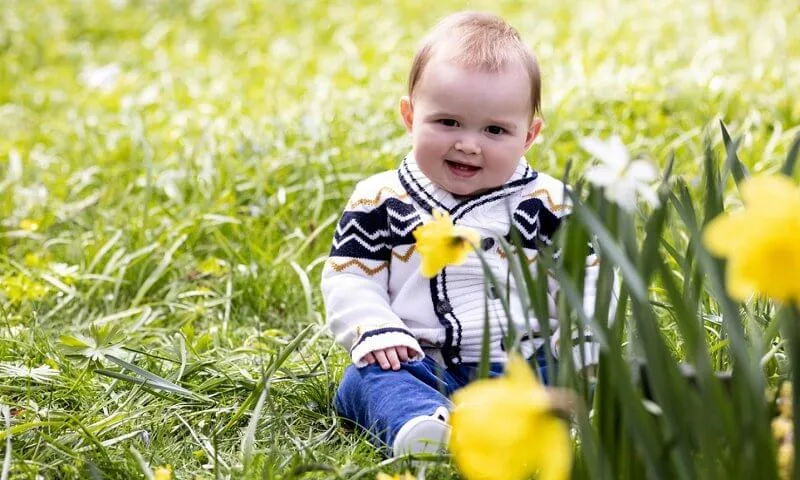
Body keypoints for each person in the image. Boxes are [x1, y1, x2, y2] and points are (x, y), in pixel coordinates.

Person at [321, 11, 600, 458]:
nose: (468, 143)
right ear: (410, 117)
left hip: (524, 360)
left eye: (494, 130)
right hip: (419, 359)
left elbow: (586, 277)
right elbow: (349, 277)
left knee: (564, 377)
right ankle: (423, 424)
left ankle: (530, 423)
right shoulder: (380, 198)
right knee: (364, 379)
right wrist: (374, 327)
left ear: (529, 135)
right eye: (447, 122)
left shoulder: (548, 203)